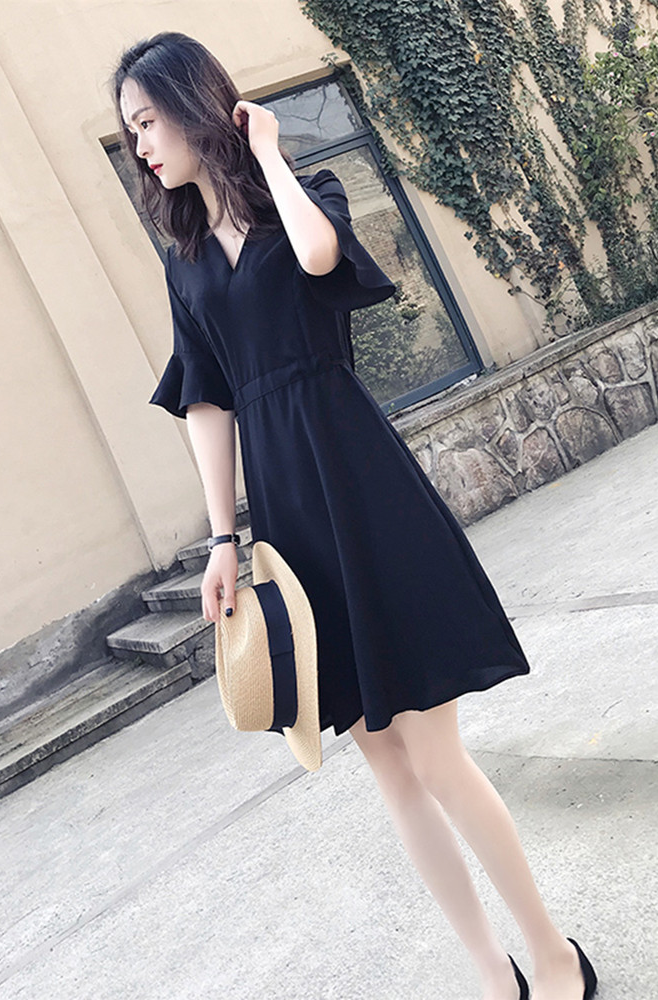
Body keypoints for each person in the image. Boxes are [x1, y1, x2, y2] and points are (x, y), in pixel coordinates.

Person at [111, 30, 597, 1000]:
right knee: (388, 765)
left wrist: (269, 155)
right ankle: (492, 976)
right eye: (129, 134)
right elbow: (206, 401)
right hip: (290, 517)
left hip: (361, 481)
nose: (142, 147)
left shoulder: (307, 196)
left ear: (197, 104)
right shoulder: (186, 261)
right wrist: (222, 538)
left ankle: (553, 956)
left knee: (436, 754)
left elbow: (320, 254)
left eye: (150, 121)